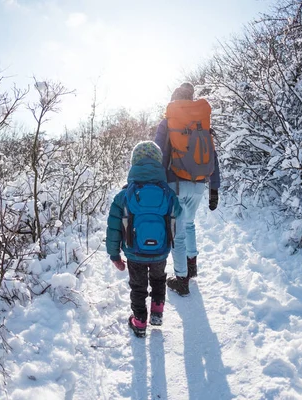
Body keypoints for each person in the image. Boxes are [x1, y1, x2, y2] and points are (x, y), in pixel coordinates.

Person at [106, 141, 182, 338]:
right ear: (159, 164)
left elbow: (114, 227)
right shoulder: (168, 194)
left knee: (138, 286)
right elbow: (178, 214)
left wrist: (114, 254)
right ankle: (157, 312)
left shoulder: (124, 195)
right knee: (158, 279)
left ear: (134, 164)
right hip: (160, 251)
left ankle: (139, 321)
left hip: (134, 252)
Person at [154, 82, 221, 296]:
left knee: (177, 234)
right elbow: (212, 155)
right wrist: (214, 188)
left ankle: (181, 279)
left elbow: (159, 154)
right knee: (190, 224)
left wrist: (157, 182)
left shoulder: (169, 121)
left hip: (175, 183)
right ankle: (192, 267)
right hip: (200, 184)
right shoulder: (200, 123)